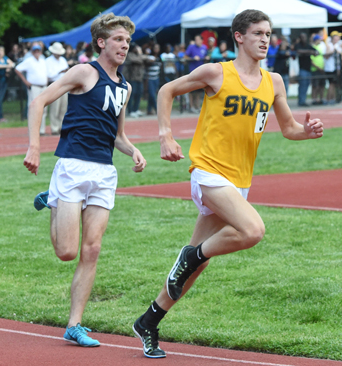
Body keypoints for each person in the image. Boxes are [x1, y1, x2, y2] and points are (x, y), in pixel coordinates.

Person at [132, 9, 323, 359]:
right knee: (252, 230)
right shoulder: (216, 73)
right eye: (258, 33)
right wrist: (165, 136)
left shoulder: (273, 82)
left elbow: (289, 129)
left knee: (194, 268)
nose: (266, 39)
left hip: (239, 180)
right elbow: (166, 90)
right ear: (239, 36)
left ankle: (149, 320)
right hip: (208, 171)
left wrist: (306, 132)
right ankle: (190, 256)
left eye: (268, 33)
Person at [23, 12, 146, 347]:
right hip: (73, 167)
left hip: (104, 173)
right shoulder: (83, 72)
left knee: (91, 249)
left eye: (128, 41)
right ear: (101, 42)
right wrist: (35, 146)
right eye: (119, 40)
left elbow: (117, 134)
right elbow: (38, 102)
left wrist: (132, 150)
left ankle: (74, 324)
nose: (125, 46)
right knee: (66, 252)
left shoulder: (124, 86)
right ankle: (52, 197)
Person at [14, 43, 48, 135]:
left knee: (43, 109)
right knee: (33, 108)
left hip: (43, 87)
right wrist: (25, 81)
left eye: (38, 50)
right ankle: (33, 130)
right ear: (32, 51)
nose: (37, 52)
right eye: (35, 50)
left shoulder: (43, 60)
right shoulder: (29, 60)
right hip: (34, 87)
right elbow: (17, 69)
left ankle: (41, 130)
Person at [185, 35, 209, 113]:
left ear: (202, 40)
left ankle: (198, 106)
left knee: (199, 90)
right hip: (192, 71)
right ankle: (191, 107)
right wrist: (192, 58)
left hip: (202, 72)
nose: (196, 41)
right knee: (191, 90)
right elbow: (185, 57)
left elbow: (207, 56)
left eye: (198, 39)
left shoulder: (204, 47)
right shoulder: (191, 47)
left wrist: (207, 58)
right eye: (195, 39)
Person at [0, 45, 15, 122]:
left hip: (4, 80)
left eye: (2, 51)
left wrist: (8, 67)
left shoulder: (5, 58)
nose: (0, 53)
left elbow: (12, 64)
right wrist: (7, 66)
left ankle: (0, 116)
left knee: (1, 98)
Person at [294, 33, 317, 107]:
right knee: (302, 85)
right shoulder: (298, 45)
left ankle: (303, 100)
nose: (304, 39)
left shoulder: (308, 45)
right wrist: (309, 52)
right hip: (302, 69)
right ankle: (301, 101)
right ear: (300, 38)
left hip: (308, 69)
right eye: (302, 37)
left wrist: (312, 52)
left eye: (305, 37)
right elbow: (298, 51)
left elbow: (316, 52)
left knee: (306, 85)